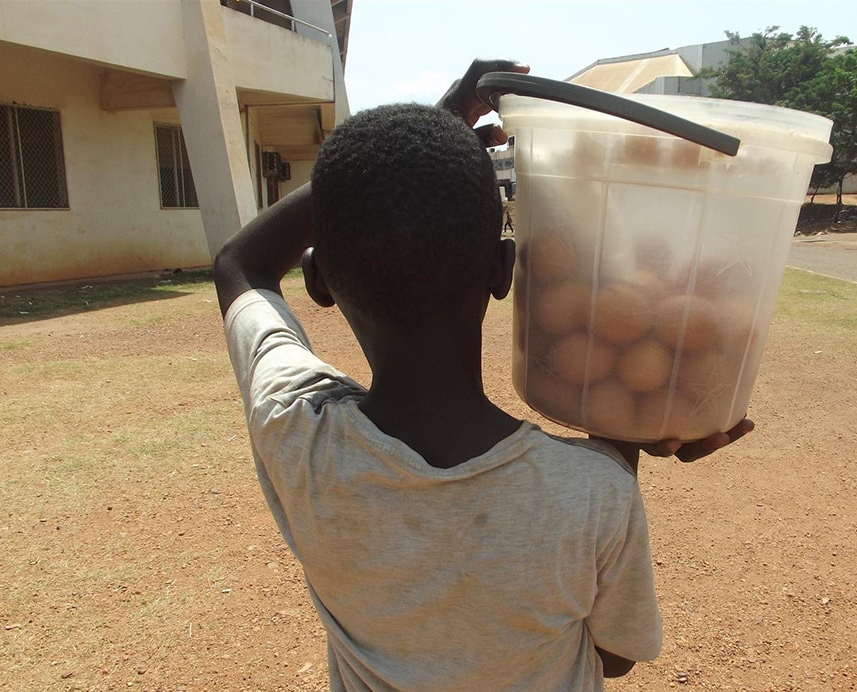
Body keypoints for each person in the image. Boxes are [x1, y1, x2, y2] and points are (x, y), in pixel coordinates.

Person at [213, 58, 753, 690]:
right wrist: (624, 428)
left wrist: (416, 141)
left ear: (319, 282)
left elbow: (240, 264)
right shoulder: (592, 494)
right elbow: (613, 656)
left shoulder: (294, 435)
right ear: (504, 271)